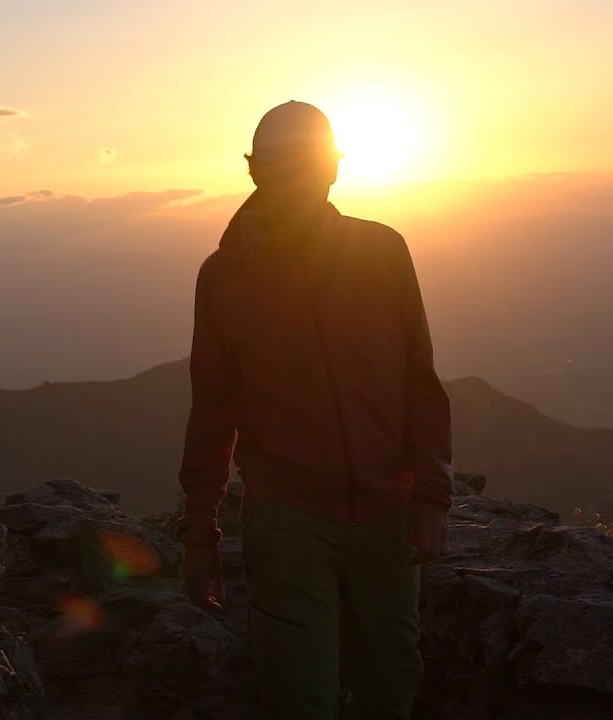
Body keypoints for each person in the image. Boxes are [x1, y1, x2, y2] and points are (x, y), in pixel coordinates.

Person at [176, 100, 453, 720]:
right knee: (302, 696)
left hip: (388, 510)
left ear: (333, 170)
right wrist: (201, 533)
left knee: (391, 684)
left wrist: (431, 496)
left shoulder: (384, 251)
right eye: (276, 166)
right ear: (254, 173)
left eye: (306, 164)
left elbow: (419, 379)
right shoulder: (223, 278)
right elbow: (213, 409)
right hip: (288, 515)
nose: (293, 178)